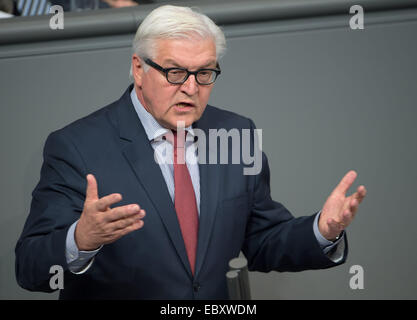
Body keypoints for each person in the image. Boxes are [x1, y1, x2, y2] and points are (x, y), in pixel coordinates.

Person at [15, 5, 367, 299]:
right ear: (139, 69)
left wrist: (322, 229)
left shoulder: (234, 133)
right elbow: (30, 266)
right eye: (175, 72)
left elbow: (261, 240)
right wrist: (80, 240)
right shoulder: (76, 146)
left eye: (204, 73)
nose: (190, 88)